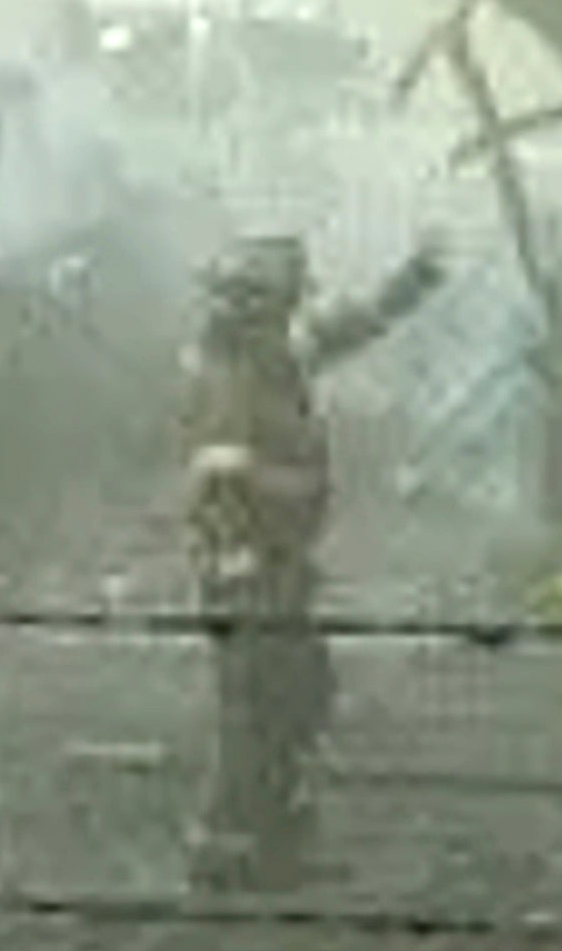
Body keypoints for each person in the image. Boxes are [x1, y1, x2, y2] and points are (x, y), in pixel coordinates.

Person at [178, 224, 453, 891]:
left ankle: (274, 840)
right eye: (283, 302)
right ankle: (229, 849)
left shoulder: (274, 357)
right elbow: (219, 485)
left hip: (278, 564)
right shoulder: (231, 377)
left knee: (297, 695)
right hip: (250, 570)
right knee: (257, 707)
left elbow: (349, 328)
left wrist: (413, 279)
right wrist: (243, 573)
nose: (291, 314)